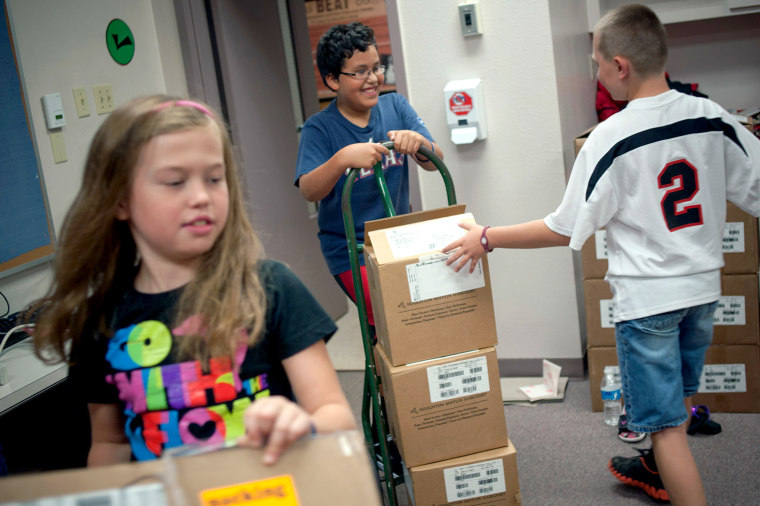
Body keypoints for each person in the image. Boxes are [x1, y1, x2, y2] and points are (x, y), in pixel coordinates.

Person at [442, 4, 760, 505]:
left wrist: (486, 237)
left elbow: (562, 226)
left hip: (649, 303)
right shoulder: (712, 117)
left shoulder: (610, 137)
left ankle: (671, 472)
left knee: (666, 428)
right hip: (702, 292)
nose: (595, 72)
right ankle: (658, 474)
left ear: (620, 66)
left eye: (596, 62)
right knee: (678, 397)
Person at [29, 95, 356, 466]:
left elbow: (335, 416)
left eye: (214, 179)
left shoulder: (271, 289)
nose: (201, 196)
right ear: (119, 201)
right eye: (175, 182)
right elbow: (110, 445)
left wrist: (303, 426)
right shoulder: (99, 319)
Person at [295, 22, 443, 330]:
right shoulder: (319, 128)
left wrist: (420, 144)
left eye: (376, 68)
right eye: (359, 71)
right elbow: (309, 189)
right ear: (333, 80)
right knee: (395, 321)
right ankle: (392, 377)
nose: (373, 78)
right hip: (353, 249)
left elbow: (436, 162)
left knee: (428, 315)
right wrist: (341, 159)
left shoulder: (396, 106)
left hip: (401, 238)